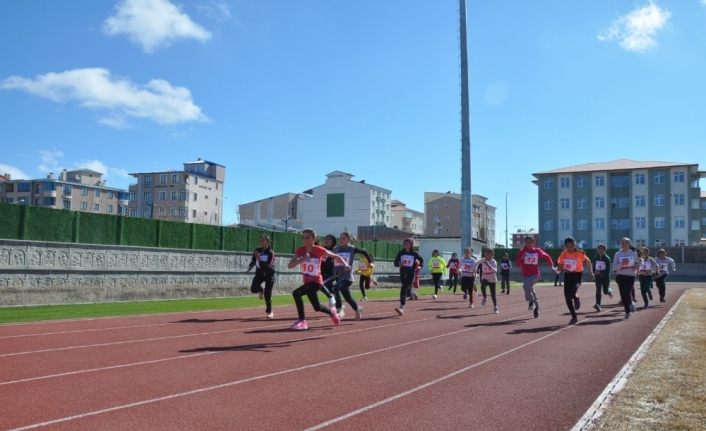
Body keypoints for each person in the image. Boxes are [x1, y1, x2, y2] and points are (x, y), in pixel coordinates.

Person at [287, 229, 349, 330]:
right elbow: (290, 265)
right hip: (307, 282)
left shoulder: (319, 250)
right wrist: (301, 259)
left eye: (308, 237)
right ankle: (332, 313)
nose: (305, 240)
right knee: (317, 307)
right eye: (303, 238)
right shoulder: (300, 250)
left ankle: (302, 321)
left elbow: (335, 256)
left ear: (313, 238)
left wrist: (345, 264)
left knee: (296, 293)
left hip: (316, 282)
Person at [332, 232, 372, 320]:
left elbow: (364, 252)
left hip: (348, 277)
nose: (341, 240)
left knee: (335, 288)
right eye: (340, 238)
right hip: (338, 276)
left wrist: (370, 262)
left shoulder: (352, 249)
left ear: (348, 240)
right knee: (347, 297)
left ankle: (340, 309)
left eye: (344, 238)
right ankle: (358, 309)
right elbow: (329, 257)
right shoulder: (336, 249)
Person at [515, 236, 555, 318]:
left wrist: (551, 266)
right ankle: (536, 307)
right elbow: (517, 264)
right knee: (531, 290)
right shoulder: (522, 251)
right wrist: (522, 258)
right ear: (525, 243)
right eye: (527, 242)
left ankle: (531, 301)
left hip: (535, 274)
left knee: (526, 286)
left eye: (530, 242)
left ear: (533, 243)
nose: (529, 244)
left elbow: (547, 256)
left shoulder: (537, 251)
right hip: (526, 275)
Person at [556, 237, 593, 325]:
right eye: (567, 246)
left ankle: (576, 298)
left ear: (574, 245)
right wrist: (559, 268)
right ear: (565, 246)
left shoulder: (579, 253)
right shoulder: (563, 254)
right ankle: (574, 316)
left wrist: (591, 272)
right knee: (567, 297)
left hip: (577, 275)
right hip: (568, 275)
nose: (569, 248)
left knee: (573, 292)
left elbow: (587, 261)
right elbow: (559, 265)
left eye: (571, 246)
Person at [247, 234, 276, 318]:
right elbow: (253, 260)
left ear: (267, 242)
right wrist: (251, 266)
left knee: (268, 294)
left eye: (263, 240)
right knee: (253, 288)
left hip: (269, 274)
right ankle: (261, 290)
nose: (261, 242)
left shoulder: (271, 253)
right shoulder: (257, 250)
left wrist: (259, 258)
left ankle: (269, 311)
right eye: (260, 240)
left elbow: (267, 266)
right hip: (259, 274)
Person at [392, 238, 424, 316]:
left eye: (408, 243)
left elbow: (421, 260)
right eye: (405, 243)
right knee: (406, 288)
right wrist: (399, 264)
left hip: (411, 273)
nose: (406, 245)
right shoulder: (401, 253)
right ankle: (411, 293)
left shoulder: (414, 254)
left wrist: (420, 266)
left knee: (403, 288)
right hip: (403, 273)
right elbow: (395, 262)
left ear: (411, 245)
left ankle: (402, 306)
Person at [612, 237, 640, 319]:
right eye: (623, 243)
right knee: (623, 294)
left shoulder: (633, 253)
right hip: (620, 276)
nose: (624, 244)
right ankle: (627, 311)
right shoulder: (617, 254)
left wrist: (636, 266)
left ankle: (629, 307)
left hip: (630, 276)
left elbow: (638, 264)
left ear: (629, 244)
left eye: (626, 243)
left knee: (627, 293)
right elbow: (614, 267)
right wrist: (621, 265)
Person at [478, 248, 499, 314]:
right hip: (485, 277)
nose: (487, 255)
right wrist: (473, 269)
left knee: (493, 294)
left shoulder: (494, 261)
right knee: (482, 286)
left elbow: (495, 270)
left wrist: (488, 264)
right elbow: (476, 263)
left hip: (492, 279)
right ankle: (485, 297)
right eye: (486, 253)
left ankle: (495, 307)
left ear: (492, 255)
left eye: (489, 254)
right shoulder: (483, 260)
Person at [592, 244, 612, 311]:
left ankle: (609, 291)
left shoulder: (607, 258)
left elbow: (608, 270)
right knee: (598, 290)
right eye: (599, 249)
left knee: (605, 291)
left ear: (604, 250)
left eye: (602, 249)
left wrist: (600, 272)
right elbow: (594, 267)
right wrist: (594, 273)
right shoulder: (596, 258)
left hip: (605, 277)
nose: (600, 250)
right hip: (598, 277)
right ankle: (598, 304)